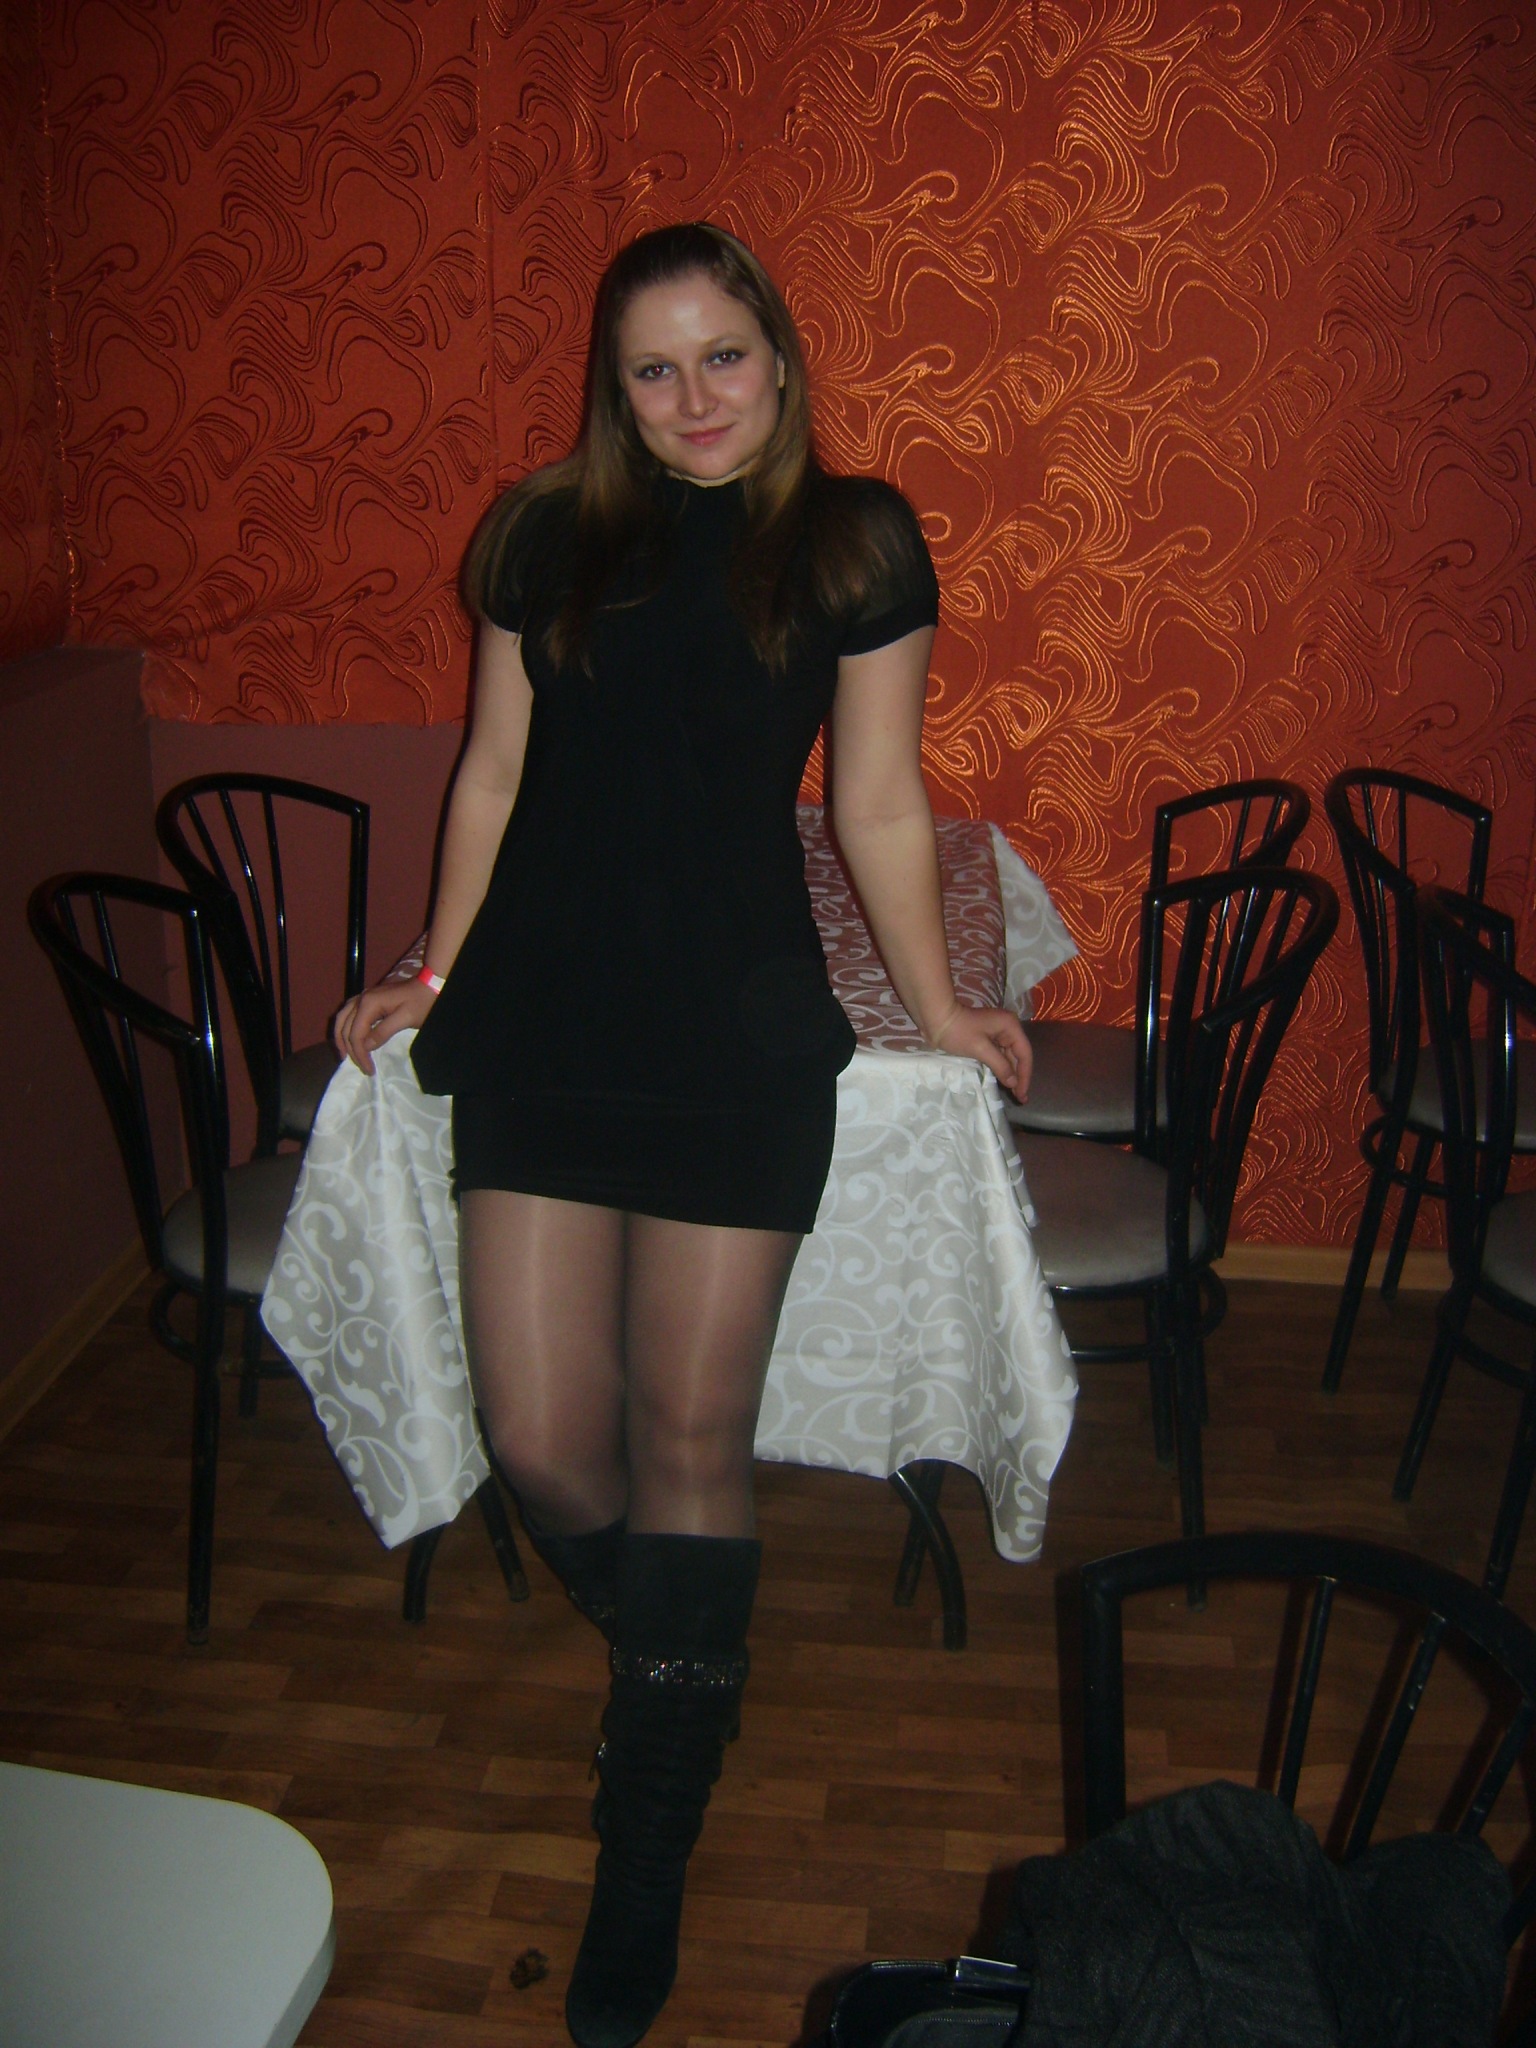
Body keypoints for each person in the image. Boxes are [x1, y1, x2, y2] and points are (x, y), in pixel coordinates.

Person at [335, 221, 1031, 2048]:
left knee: (694, 1434)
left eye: (724, 355)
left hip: (735, 1027)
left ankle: (644, 1837)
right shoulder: (539, 534)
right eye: (654, 368)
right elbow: (494, 771)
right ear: (615, 386)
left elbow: (878, 801)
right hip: (545, 1016)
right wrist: (430, 966)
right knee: (543, 1440)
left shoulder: (854, 540)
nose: (694, 397)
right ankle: (683, 1661)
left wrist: (940, 1006)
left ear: (781, 359)